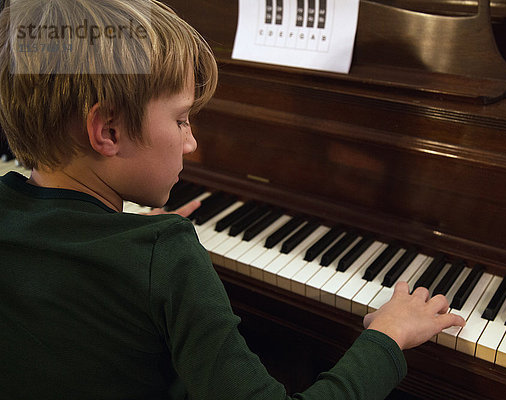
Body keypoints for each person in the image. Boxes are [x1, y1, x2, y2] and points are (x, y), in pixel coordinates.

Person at [0, 1, 465, 399]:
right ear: (108, 131)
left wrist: (133, 236)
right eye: (182, 119)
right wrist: (388, 336)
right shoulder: (166, 256)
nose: (192, 142)